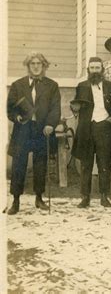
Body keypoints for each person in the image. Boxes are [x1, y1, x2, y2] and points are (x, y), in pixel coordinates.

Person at [7, 52, 61, 215]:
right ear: (28, 66)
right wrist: (15, 116)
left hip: (42, 130)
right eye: (33, 64)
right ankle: (16, 201)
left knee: (40, 164)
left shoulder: (52, 85)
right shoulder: (17, 85)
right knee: (18, 164)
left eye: (39, 64)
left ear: (44, 66)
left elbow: (55, 107)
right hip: (23, 129)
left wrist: (51, 124)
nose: (36, 66)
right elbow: (10, 107)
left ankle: (39, 198)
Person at [70, 57, 111, 208]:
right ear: (88, 70)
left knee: (104, 163)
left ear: (102, 70)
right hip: (87, 128)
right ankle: (85, 197)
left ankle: (104, 196)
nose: (95, 71)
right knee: (86, 164)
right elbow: (76, 105)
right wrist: (74, 108)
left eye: (98, 68)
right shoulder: (82, 86)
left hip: (104, 127)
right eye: (92, 68)